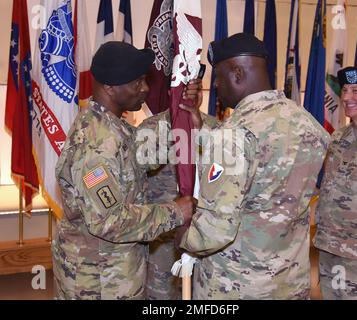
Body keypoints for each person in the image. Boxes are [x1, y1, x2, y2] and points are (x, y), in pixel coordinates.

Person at [178, 33, 331, 299]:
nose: (216, 85)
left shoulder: (232, 135)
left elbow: (213, 232)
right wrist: (204, 134)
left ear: (237, 73)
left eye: (219, 77)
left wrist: (182, 231)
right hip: (289, 282)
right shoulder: (308, 124)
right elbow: (269, 171)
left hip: (236, 287)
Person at [52, 41, 197, 300]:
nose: (145, 89)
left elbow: (142, 151)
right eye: (137, 83)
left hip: (113, 271)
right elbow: (109, 221)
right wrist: (175, 212)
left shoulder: (111, 126)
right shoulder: (95, 146)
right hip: (98, 281)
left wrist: (180, 108)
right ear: (109, 87)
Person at [313, 63, 357, 300]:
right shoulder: (337, 138)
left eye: (355, 90)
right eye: (344, 91)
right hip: (330, 250)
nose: (346, 97)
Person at [138, 107, 219, 300]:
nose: (191, 93)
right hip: (162, 238)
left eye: (197, 87)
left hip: (205, 238)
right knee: (160, 297)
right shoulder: (150, 129)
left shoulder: (216, 128)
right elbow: (137, 181)